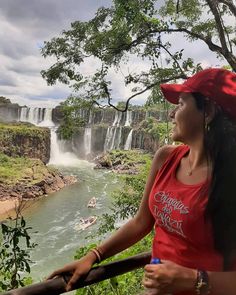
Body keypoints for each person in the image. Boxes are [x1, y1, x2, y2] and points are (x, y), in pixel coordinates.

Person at [47, 68, 236, 295]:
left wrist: (194, 279)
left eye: (182, 104)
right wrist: (93, 256)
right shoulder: (166, 158)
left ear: (208, 112)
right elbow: (141, 222)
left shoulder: (229, 179)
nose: (171, 114)